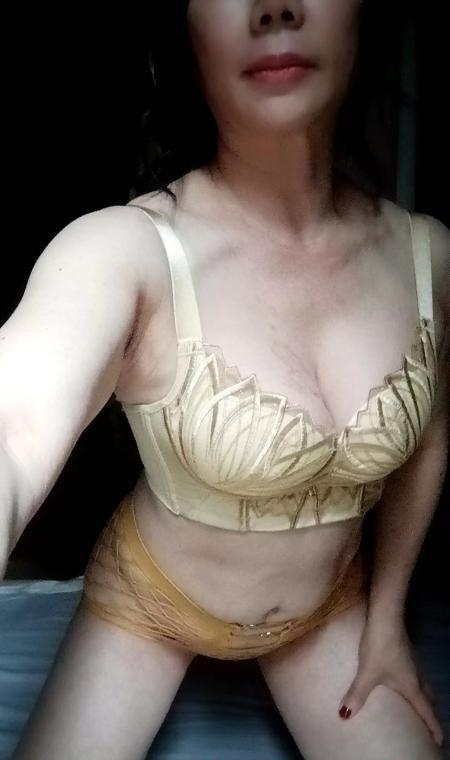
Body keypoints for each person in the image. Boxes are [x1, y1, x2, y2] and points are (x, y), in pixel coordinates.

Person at [2, 1, 448, 758]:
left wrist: (386, 620)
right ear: (187, 35)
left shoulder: (427, 255)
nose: (275, 7)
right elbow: (13, 428)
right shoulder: (124, 249)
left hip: (329, 609)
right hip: (151, 600)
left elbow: (430, 436)